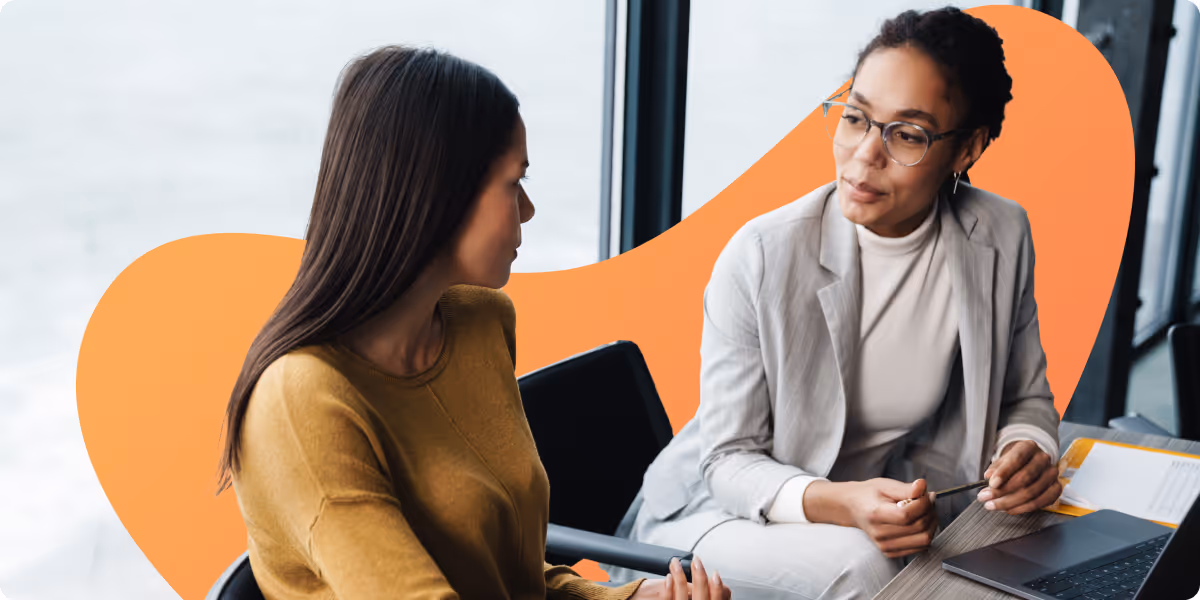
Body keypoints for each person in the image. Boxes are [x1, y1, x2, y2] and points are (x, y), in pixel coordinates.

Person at [215, 45, 731, 600]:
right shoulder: (303, 401)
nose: (528, 209)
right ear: (438, 194)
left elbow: (518, 578)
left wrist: (638, 598)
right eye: (514, 183)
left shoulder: (478, 324)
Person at [606, 7, 1061, 599]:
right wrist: (842, 502)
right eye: (855, 118)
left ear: (967, 147)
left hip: (889, 514)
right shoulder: (764, 254)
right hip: (723, 513)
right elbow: (728, 461)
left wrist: (1027, 449)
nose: (864, 155)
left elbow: (1026, 398)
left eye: (907, 134)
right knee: (868, 565)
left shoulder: (1000, 232)